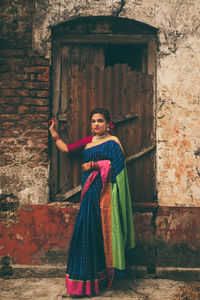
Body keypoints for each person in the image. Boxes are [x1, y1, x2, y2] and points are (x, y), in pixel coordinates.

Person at [49, 108, 135, 297]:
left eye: (100, 121)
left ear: (108, 123)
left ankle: (102, 278)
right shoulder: (87, 142)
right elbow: (66, 149)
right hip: (89, 193)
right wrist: (53, 132)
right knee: (86, 231)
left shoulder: (113, 143)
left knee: (101, 233)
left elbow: (118, 169)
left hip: (106, 194)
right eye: (94, 121)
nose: (96, 124)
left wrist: (97, 165)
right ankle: (84, 282)